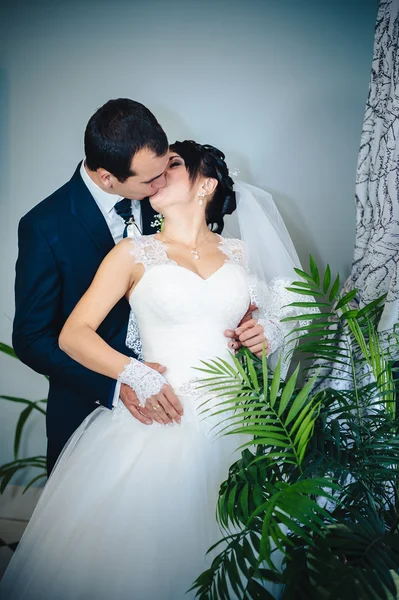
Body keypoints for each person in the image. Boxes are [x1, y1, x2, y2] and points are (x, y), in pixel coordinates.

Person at [1, 141, 295, 600]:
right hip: (160, 414)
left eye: (173, 166)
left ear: (207, 185)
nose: (158, 176)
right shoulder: (132, 253)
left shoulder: (242, 254)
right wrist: (137, 375)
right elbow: (73, 334)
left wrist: (268, 331)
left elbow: (282, 317)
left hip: (240, 424)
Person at [11, 99, 259, 474]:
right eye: (149, 180)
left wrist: (247, 325)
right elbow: (31, 338)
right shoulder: (46, 227)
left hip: (211, 409)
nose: (160, 182)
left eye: (167, 168)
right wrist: (120, 380)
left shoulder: (162, 193)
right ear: (109, 178)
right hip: (93, 407)